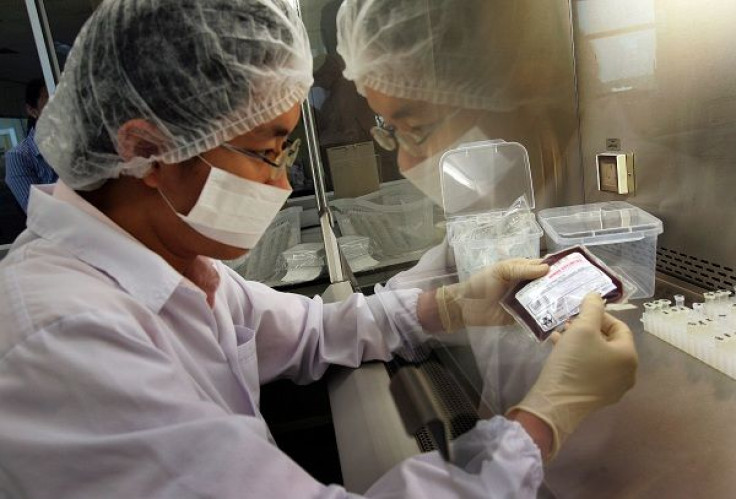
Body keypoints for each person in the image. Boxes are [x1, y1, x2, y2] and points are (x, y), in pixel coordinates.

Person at [0, 1, 636, 498]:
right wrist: (545, 420)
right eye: (266, 152)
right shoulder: (64, 338)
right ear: (144, 151)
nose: (282, 183)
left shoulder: (173, 269)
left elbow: (313, 331)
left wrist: (451, 303)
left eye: (287, 155)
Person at [335, 0, 590, 416]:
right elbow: (397, 306)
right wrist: (448, 305)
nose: (404, 163)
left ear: (520, 85)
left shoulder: (636, 203)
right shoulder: (488, 226)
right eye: (390, 131)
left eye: (416, 127)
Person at [4, 78, 59, 212]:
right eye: (49, 99)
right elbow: (37, 211)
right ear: (32, 110)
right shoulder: (19, 157)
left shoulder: (77, 143)